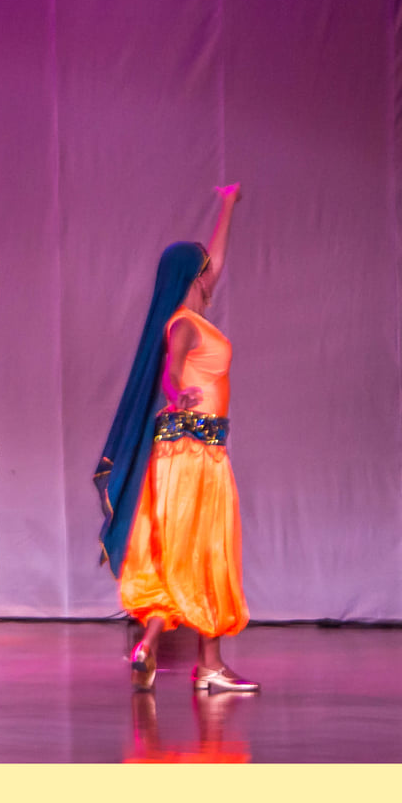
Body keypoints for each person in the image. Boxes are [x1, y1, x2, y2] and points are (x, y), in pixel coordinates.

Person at [95, 185, 255, 693]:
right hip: (193, 451)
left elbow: (218, 260)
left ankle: (155, 645)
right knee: (207, 547)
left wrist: (226, 205)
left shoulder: (195, 315)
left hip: (199, 450)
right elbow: (172, 368)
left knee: (188, 549)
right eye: (205, 269)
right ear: (194, 277)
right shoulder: (183, 323)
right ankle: (206, 662)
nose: (212, 275)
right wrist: (176, 391)